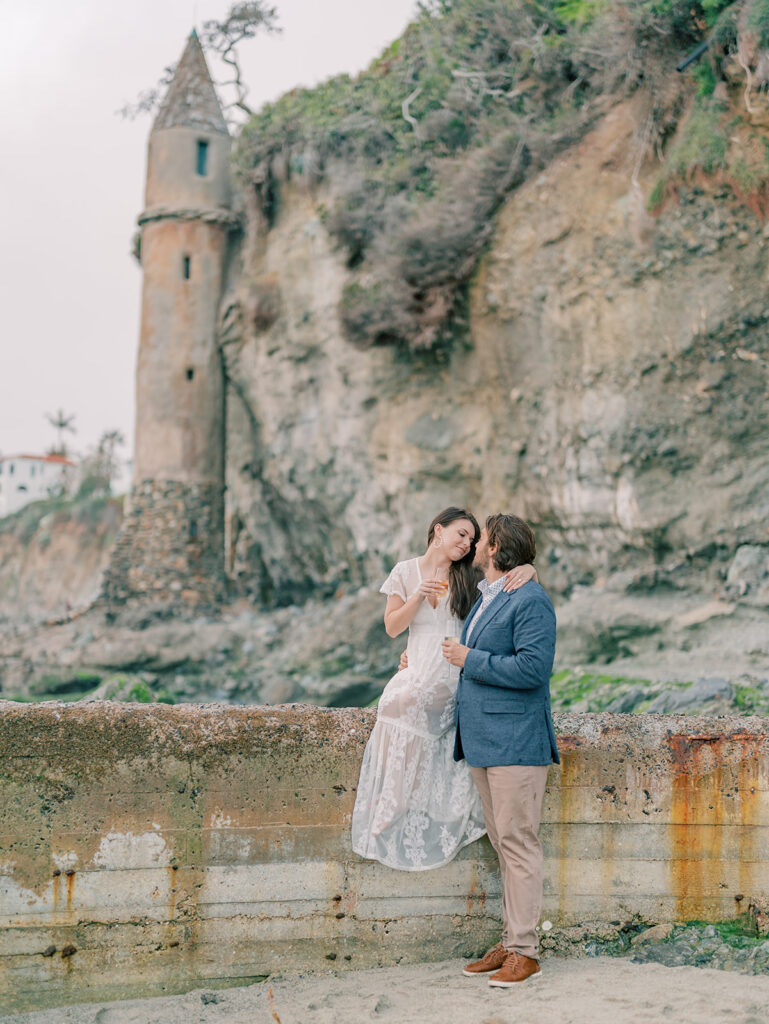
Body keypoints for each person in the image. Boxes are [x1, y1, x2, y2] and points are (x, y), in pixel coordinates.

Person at [351, 507, 536, 871]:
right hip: (418, 663)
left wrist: (530, 570)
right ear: (439, 530)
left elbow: (503, 588)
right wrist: (418, 595)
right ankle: (391, 800)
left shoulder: (468, 576)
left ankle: (398, 802)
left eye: (472, 539)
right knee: (392, 700)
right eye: (461, 535)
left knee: (409, 698)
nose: (467, 544)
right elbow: (392, 627)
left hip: (452, 670)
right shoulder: (404, 572)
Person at [442, 513, 558, 988]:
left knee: (519, 845)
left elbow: (533, 669)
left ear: (494, 549)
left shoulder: (531, 598)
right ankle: (512, 941)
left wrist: (470, 659)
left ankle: (525, 951)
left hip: (516, 744)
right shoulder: (493, 593)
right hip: (487, 742)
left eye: (482, 538)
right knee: (503, 844)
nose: (475, 544)